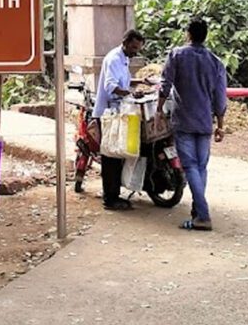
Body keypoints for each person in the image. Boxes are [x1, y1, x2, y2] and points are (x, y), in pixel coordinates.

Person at [155, 18, 227, 231]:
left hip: (184, 119)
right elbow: (220, 97)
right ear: (205, 36)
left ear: (188, 34)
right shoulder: (215, 61)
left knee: (190, 167)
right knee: (201, 167)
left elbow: (165, 85)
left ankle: (203, 215)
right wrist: (220, 124)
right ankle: (197, 212)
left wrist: (159, 110)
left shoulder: (176, 55)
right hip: (205, 121)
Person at [93, 29, 146, 211]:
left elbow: (123, 81)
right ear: (125, 43)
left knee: (117, 154)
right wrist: (130, 93)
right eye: (133, 48)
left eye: (137, 49)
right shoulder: (114, 58)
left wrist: (141, 81)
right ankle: (110, 198)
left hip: (117, 112)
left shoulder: (124, 59)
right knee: (110, 156)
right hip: (108, 113)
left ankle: (114, 193)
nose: (135, 52)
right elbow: (111, 86)